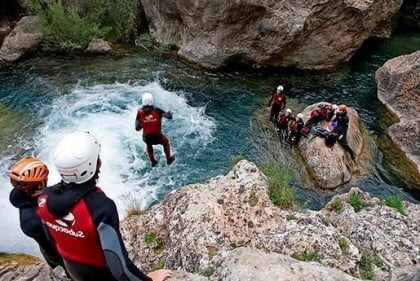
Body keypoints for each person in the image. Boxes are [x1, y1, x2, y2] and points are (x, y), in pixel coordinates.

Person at [37, 132, 173, 281]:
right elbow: (119, 266)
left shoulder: (44, 198)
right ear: (98, 164)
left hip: (73, 270)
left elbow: (50, 238)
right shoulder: (100, 207)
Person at [9, 157, 65, 271]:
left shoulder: (19, 195)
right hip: (60, 255)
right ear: (40, 185)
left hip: (49, 249)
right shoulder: (34, 222)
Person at [135, 92, 175, 167]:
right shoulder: (157, 110)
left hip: (146, 138)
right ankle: (169, 159)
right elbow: (169, 117)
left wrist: (144, 123)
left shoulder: (140, 112)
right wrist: (169, 113)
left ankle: (153, 162)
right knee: (165, 142)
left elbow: (137, 128)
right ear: (152, 101)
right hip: (157, 137)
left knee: (148, 144)